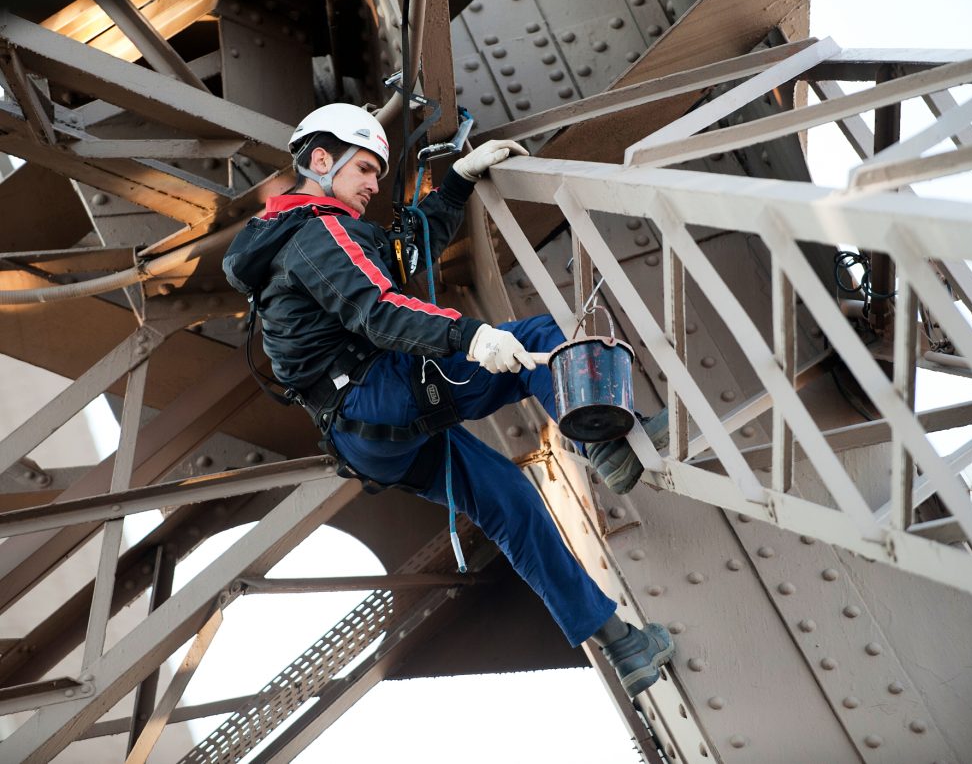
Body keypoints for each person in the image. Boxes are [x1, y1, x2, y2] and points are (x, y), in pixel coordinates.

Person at [223, 103, 674, 698]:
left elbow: (399, 256)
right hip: (378, 397)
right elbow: (378, 309)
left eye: (378, 174)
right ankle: (607, 446)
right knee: (536, 340)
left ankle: (624, 645)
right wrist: (470, 335)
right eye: (363, 169)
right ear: (321, 159)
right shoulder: (318, 231)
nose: (372, 185)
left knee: (509, 499)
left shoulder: (304, 238)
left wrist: (456, 181)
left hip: (361, 439)